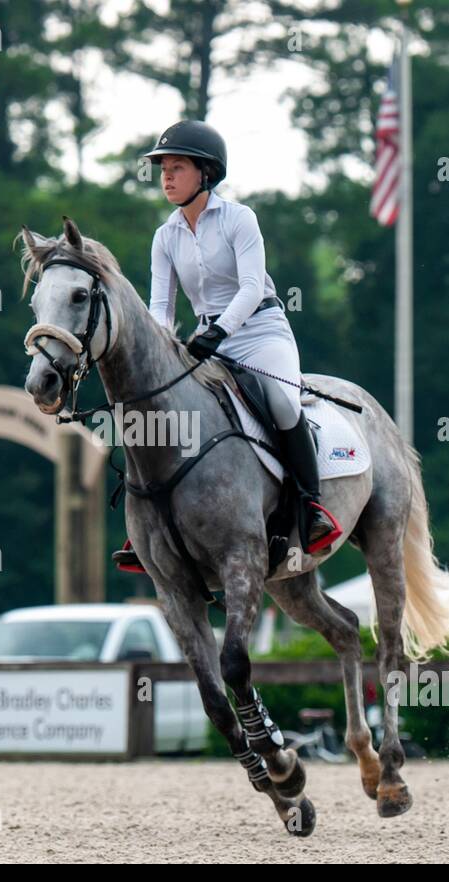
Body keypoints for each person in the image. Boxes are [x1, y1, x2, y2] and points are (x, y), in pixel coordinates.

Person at [112, 119, 343, 574]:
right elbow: (161, 305)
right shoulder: (165, 236)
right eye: (163, 170)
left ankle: (311, 508)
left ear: (206, 173)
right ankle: (150, 526)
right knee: (164, 411)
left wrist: (219, 331)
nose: (167, 178)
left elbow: (253, 286)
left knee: (281, 402)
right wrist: (163, 349)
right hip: (202, 343)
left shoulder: (240, 219)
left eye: (177, 168)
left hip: (259, 331)